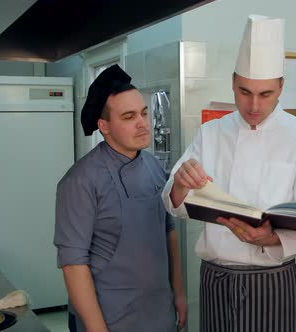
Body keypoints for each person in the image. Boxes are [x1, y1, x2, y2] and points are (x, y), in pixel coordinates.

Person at [162, 15, 296, 332]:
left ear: (281, 87)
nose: (253, 105)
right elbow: (174, 203)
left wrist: (272, 237)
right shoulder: (211, 133)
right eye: (244, 91)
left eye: (265, 94)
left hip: (272, 283)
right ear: (233, 81)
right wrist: (180, 184)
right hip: (215, 280)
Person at [54, 64, 186, 332]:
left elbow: (168, 232)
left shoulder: (153, 166)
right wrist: (96, 328)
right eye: (128, 117)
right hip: (109, 316)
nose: (142, 123)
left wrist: (179, 292)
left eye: (144, 113)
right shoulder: (80, 181)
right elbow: (73, 262)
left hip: (158, 311)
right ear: (104, 126)